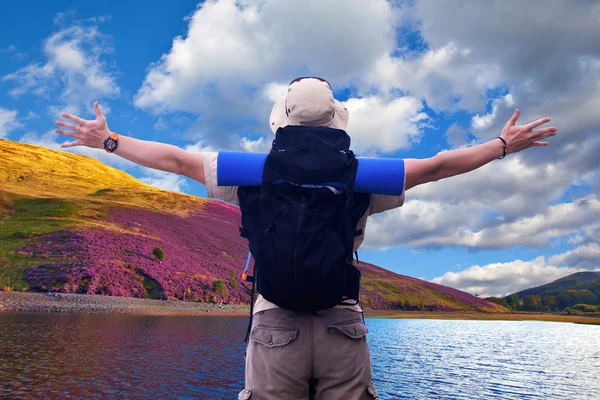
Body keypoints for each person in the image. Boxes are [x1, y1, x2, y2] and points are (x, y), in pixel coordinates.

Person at [55, 77, 557, 400]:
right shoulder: (365, 176)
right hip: (342, 322)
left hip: (275, 321)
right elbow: (439, 166)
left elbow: (175, 160)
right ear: (336, 120)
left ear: (282, 120)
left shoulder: (247, 173)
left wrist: (109, 141)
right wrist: (501, 145)